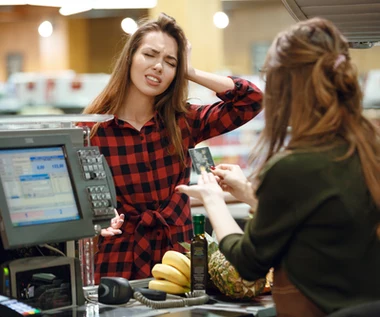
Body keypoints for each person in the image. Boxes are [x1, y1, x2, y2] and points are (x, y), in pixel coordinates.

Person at [176, 17, 380, 317]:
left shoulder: (293, 167)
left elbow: (248, 263)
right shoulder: (367, 146)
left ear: (288, 86)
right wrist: (248, 194)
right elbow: (322, 223)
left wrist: (213, 201)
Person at [81, 13, 263, 284]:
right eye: (150, 55)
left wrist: (190, 70)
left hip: (178, 257)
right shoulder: (92, 130)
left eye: (170, 62)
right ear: (130, 57)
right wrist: (97, 226)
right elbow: (80, 205)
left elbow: (250, 100)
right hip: (118, 262)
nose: (158, 67)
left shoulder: (184, 121)